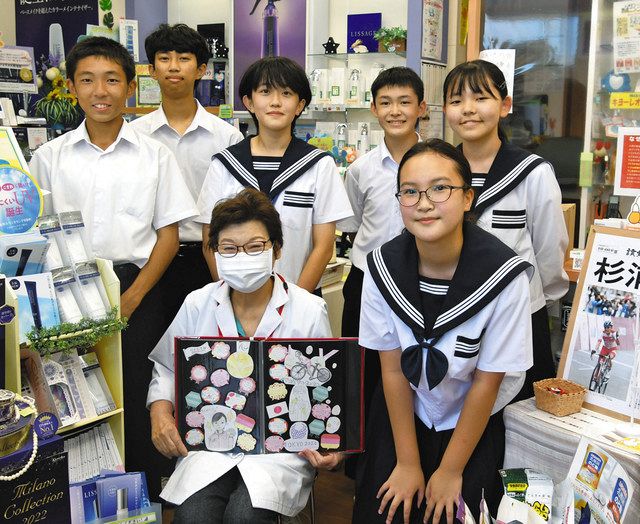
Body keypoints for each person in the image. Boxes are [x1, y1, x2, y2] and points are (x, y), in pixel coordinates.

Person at [29, 36, 199, 499]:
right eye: (87, 80)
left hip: (137, 287)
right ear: (71, 87)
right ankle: (72, 498)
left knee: (137, 393)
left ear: (128, 87)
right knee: (69, 395)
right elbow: (34, 234)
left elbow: (168, 235)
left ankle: (139, 499)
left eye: (111, 80)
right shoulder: (49, 159)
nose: (99, 91)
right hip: (64, 293)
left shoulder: (154, 155)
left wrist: (133, 297)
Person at [352, 140, 533, 524]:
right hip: (404, 414)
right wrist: (407, 462)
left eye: (440, 188)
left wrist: (450, 471)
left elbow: (487, 381)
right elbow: (392, 369)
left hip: (473, 421)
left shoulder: (506, 276)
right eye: (410, 191)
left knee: (456, 511)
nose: (424, 202)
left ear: (468, 198)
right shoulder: (380, 268)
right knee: (385, 507)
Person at [148, 188, 342, 523]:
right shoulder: (199, 302)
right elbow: (167, 368)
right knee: (192, 516)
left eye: (254, 247)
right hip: (210, 443)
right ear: (215, 253)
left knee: (245, 516)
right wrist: (161, 416)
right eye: (229, 249)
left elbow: (329, 388)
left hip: (280, 451)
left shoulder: (309, 310)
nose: (242, 256)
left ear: (276, 250)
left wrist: (334, 446)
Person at [442, 59, 569, 400]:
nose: (468, 110)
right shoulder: (438, 170)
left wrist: (542, 299)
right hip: (451, 314)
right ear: (445, 110)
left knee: (518, 414)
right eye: (456, 101)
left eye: (480, 98)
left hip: (519, 318)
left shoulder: (532, 172)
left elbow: (549, 248)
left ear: (505, 105)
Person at [196, 56, 352, 293]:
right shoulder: (225, 164)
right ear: (249, 101)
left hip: (301, 297)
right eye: (266, 91)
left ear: (300, 105)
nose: (276, 102)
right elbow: (210, 242)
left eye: (287, 93)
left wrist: (295, 303)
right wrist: (231, 295)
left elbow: (323, 246)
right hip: (236, 300)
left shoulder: (319, 165)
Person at [338, 66, 426, 478]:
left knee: (413, 372)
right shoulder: (361, 169)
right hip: (366, 282)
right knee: (363, 371)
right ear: (373, 109)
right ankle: (363, 465)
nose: (395, 111)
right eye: (386, 103)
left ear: (421, 108)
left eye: (405, 102)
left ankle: (413, 458)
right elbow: (354, 224)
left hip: (420, 285)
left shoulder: (437, 162)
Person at [130, 23, 243, 323]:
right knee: (150, 352)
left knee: (206, 352)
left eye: (184, 58)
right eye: (164, 58)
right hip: (149, 260)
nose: (173, 67)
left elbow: (234, 209)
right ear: (151, 70)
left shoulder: (227, 137)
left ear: (202, 69)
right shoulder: (134, 135)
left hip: (206, 259)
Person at [590, 319, 619, 390]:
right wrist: (594, 349)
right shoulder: (602, 333)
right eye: (605, 327)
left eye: (608, 327)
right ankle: (596, 377)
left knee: (609, 358)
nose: (606, 329)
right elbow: (599, 342)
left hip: (613, 349)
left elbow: (618, 343)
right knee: (600, 362)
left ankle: (607, 373)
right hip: (605, 348)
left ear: (611, 327)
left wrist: (617, 337)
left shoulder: (614, 333)